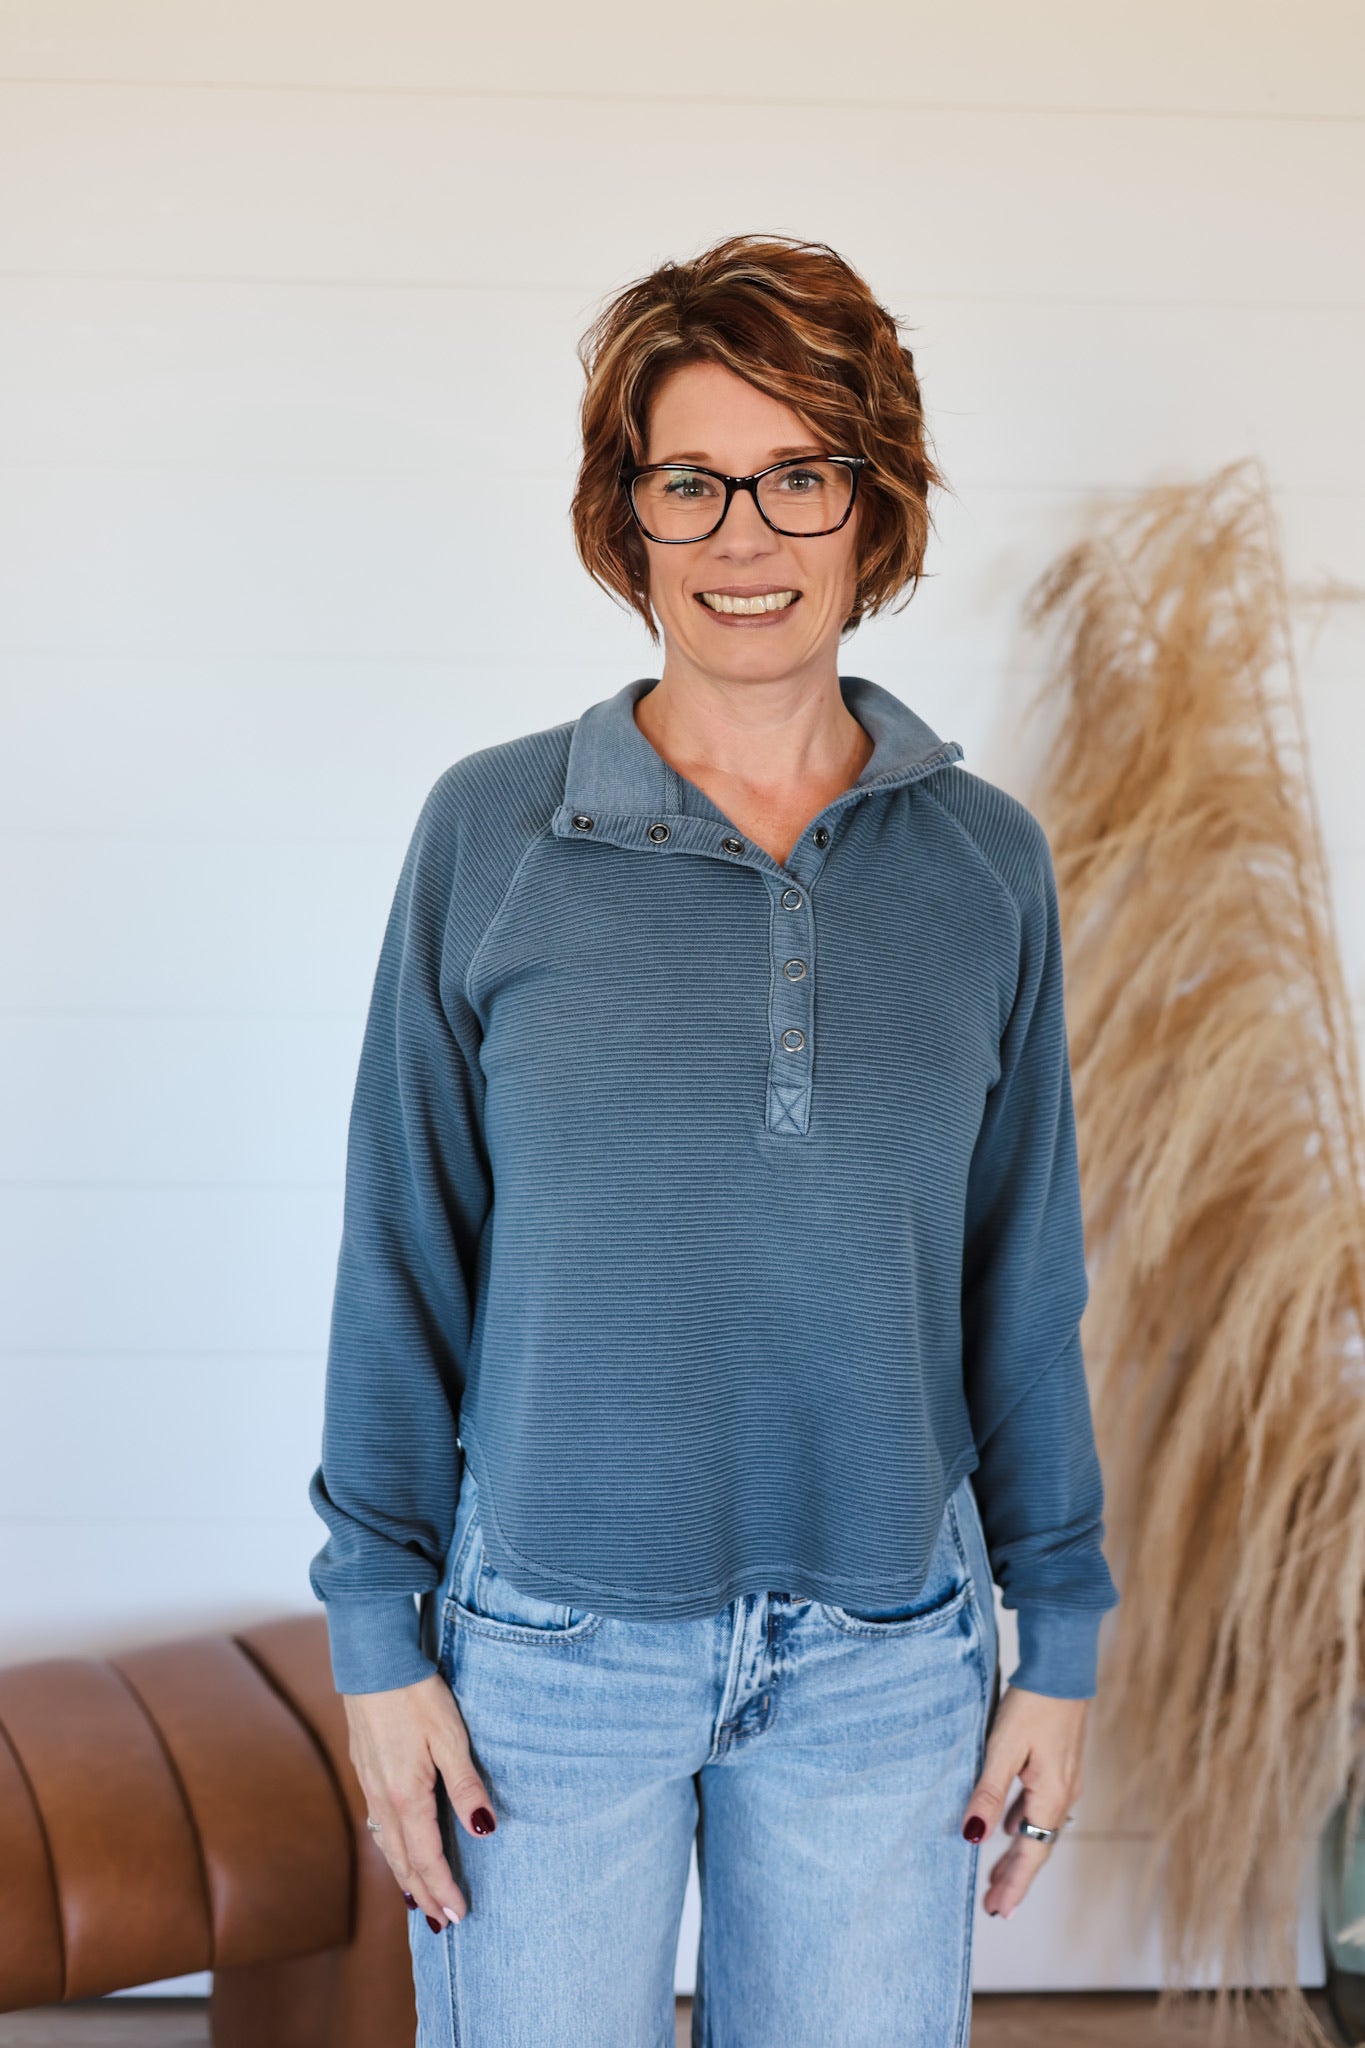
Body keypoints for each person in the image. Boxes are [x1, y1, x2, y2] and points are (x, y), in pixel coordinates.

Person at [307, 231, 1121, 2048]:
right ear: (630, 517)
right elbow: (399, 1247)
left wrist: (1056, 1637)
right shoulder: (491, 831)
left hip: (887, 1662)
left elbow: (1022, 1277)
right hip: (546, 1660)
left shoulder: (984, 863)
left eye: (797, 475)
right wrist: (376, 1633)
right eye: (691, 481)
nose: (744, 535)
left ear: (873, 508)